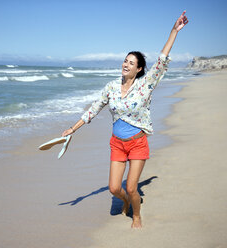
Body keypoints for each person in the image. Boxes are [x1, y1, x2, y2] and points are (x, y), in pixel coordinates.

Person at [61, 11, 189, 229]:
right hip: (117, 144)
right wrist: (73, 128)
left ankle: (136, 215)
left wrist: (173, 31)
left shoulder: (145, 85)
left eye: (131, 62)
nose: (126, 64)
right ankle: (127, 202)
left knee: (131, 187)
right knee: (114, 189)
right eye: (125, 60)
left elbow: (161, 60)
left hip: (138, 142)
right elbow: (94, 108)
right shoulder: (111, 87)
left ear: (138, 69)